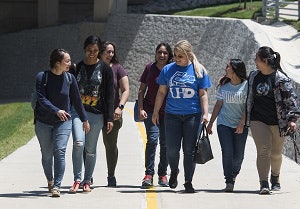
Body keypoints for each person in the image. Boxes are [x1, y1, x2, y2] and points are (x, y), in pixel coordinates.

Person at [152, 40, 212, 193]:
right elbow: (161, 92)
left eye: (180, 56)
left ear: (188, 55)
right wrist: (155, 112)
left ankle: (188, 181)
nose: (177, 59)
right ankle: (174, 171)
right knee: (172, 149)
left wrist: (205, 114)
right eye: (176, 55)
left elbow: (203, 94)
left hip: (193, 115)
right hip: (172, 115)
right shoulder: (168, 69)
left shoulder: (199, 70)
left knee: (189, 150)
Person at [34, 48, 90, 197]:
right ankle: (50, 180)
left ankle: (57, 186)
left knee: (59, 151)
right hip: (43, 121)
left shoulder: (70, 78)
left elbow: (77, 101)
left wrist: (84, 119)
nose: (70, 63)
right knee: (47, 155)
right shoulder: (42, 77)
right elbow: (41, 98)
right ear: (57, 63)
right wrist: (56, 110)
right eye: (67, 61)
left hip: (63, 121)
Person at [246, 46, 299, 195]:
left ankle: (275, 178)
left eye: (256, 59)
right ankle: (263, 183)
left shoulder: (281, 78)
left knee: (276, 153)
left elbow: (292, 101)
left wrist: (292, 119)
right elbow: (249, 98)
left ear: (264, 61)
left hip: (278, 121)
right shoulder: (253, 76)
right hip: (258, 120)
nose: (254, 61)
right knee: (263, 150)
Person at [68, 35, 114, 193]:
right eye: (89, 50)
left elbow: (109, 94)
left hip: (96, 114)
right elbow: (70, 91)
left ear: (99, 51)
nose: (92, 53)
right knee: (78, 143)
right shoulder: (77, 67)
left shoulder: (105, 68)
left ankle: (87, 180)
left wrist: (109, 118)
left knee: (90, 149)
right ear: (84, 49)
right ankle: (76, 179)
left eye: (95, 50)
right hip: (78, 112)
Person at [207, 59, 248, 192]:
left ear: (235, 70)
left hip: (241, 124)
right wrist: (211, 123)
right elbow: (218, 105)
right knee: (227, 152)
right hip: (224, 124)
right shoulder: (224, 86)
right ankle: (229, 180)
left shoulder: (247, 86)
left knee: (239, 155)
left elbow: (248, 107)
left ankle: (234, 173)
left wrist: (242, 122)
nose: (226, 68)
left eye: (228, 67)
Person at [138, 43, 173, 188]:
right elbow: (141, 91)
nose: (162, 55)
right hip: (150, 110)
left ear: (169, 55)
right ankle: (148, 174)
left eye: (165, 53)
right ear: (156, 53)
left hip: (168, 112)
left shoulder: (172, 70)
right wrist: (140, 109)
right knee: (152, 140)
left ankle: (162, 174)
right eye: (159, 52)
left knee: (165, 143)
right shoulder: (149, 68)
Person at [99, 41, 130, 187]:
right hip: (93, 112)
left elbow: (125, 90)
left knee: (110, 145)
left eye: (112, 52)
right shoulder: (93, 67)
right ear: (100, 52)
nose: (110, 54)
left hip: (112, 114)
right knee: (88, 145)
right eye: (107, 51)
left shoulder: (118, 68)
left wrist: (120, 107)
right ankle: (87, 176)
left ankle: (111, 175)